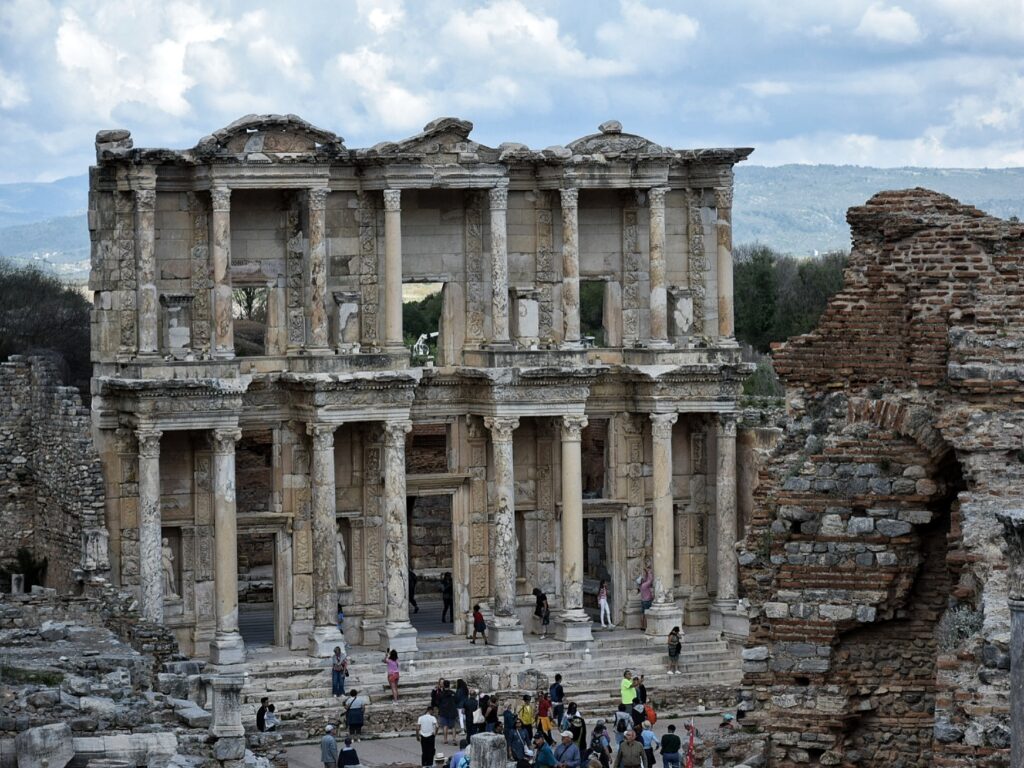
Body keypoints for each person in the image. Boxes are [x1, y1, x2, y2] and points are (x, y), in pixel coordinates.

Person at [438, 679, 459, 745]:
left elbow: (438, 702)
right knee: (453, 726)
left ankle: (445, 739)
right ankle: (454, 739)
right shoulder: (453, 693)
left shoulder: (441, 694)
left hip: (444, 712)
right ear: (449, 685)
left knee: (445, 726)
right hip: (452, 711)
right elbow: (456, 700)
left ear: (443, 685)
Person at [637, 567, 653, 631]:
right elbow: (650, 580)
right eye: (642, 578)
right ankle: (646, 627)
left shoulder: (641, 586)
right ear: (641, 580)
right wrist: (649, 572)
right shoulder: (645, 585)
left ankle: (642, 626)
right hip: (647, 601)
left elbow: (646, 579)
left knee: (642, 614)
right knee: (646, 614)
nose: (643, 578)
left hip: (643, 601)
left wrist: (646, 573)